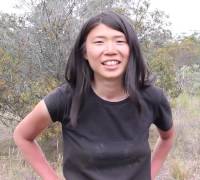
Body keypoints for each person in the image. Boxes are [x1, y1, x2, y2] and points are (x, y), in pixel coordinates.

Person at [13, 11, 175, 180]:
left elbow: (168, 137)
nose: (110, 50)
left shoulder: (152, 98)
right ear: (84, 52)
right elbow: (22, 136)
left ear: (131, 49)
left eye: (119, 41)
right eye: (99, 42)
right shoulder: (65, 99)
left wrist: (149, 174)